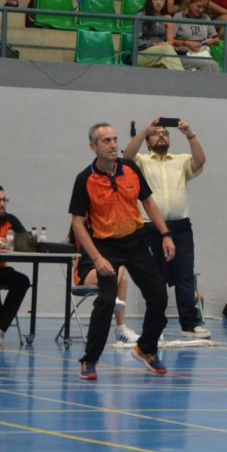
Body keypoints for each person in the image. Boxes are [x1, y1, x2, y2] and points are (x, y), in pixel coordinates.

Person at [69, 123, 175, 381]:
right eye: (106, 141)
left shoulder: (131, 168)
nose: (113, 145)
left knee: (159, 296)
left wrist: (165, 234)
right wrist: (96, 258)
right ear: (93, 147)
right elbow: (78, 223)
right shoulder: (85, 179)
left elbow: (148, 202)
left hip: (136, 242)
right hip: (105, 246)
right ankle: (89, 360)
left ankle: (146, 349)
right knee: (106, 300)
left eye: (115, 139)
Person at [122, 119, 209, 339]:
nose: (161, 135)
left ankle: (189, 324)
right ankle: (156, 325)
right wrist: (144, 131)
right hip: (151, 228)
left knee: (185, 276)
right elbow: (125, 158)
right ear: (149, 142)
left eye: (165, 133)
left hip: (180, 227)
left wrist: (190, 134)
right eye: (156, 133)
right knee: (155, 278)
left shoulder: (180, 161)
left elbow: (200, 160)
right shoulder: (141, 161)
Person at [0, 184, 30, 346]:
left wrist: (15, 244)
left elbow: (26, 242)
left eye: (4, 200)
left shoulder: (10, 220)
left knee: (22, 281)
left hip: (0, 268)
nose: (2, 204)